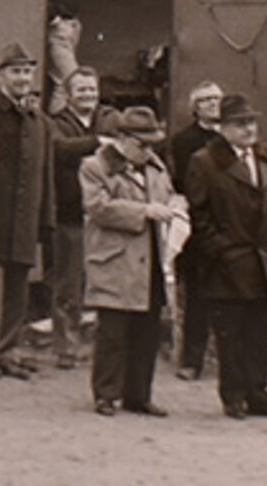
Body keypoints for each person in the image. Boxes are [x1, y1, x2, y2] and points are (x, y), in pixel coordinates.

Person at [185, 93, 267, 420]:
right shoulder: (204, 162)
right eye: (239, 124)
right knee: (231, 333)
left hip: (265, 260)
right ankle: (233, 395)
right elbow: (198, 216)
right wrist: (219, 249)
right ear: (222, 128)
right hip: (229, 262)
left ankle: (258, 393)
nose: (248, 129)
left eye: (251, 122)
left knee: (260, 330)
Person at [81, 106, 177, 417]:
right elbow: (97, 207)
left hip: (150, 259)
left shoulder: (155, 167)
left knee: (146, 331)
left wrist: (174, 207)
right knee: (113, 331)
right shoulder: (95, 167)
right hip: (115, 259)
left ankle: (138, 395)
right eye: (142, 144)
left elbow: (169, 195)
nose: (148, 151)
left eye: (152, 145)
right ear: (121, 139)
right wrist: (144, 211)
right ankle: (106, 394)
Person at [0, 42, 54, 381]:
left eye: (26, 71)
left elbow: (45, 174)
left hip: (25, 218)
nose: (22, 78)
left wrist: (44, 218)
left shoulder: (40, 121)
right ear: (0, 75)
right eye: (15, 72)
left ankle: (7, 351)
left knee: (18, 287)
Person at [46, 66, 103, 369]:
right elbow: (60, 149)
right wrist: (98, 143)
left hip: (102, 215)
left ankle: (97, 346)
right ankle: (65, 347)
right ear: (69, 95)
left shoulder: (105, 118)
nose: (88, 96)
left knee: (101, 282)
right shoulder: (57, 123)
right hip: (70, 212)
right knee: (68, 281)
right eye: (82, 90)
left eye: (92, 90)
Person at [168, 79, 221, 379]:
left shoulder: (231, 135)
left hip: (230, 223)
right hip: (199, 224)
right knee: (198, 296)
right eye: (206, 100)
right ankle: (192, 361)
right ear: (195, 107)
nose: (213, 104)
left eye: (216, 99)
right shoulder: (184, 141)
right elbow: (186, 183)